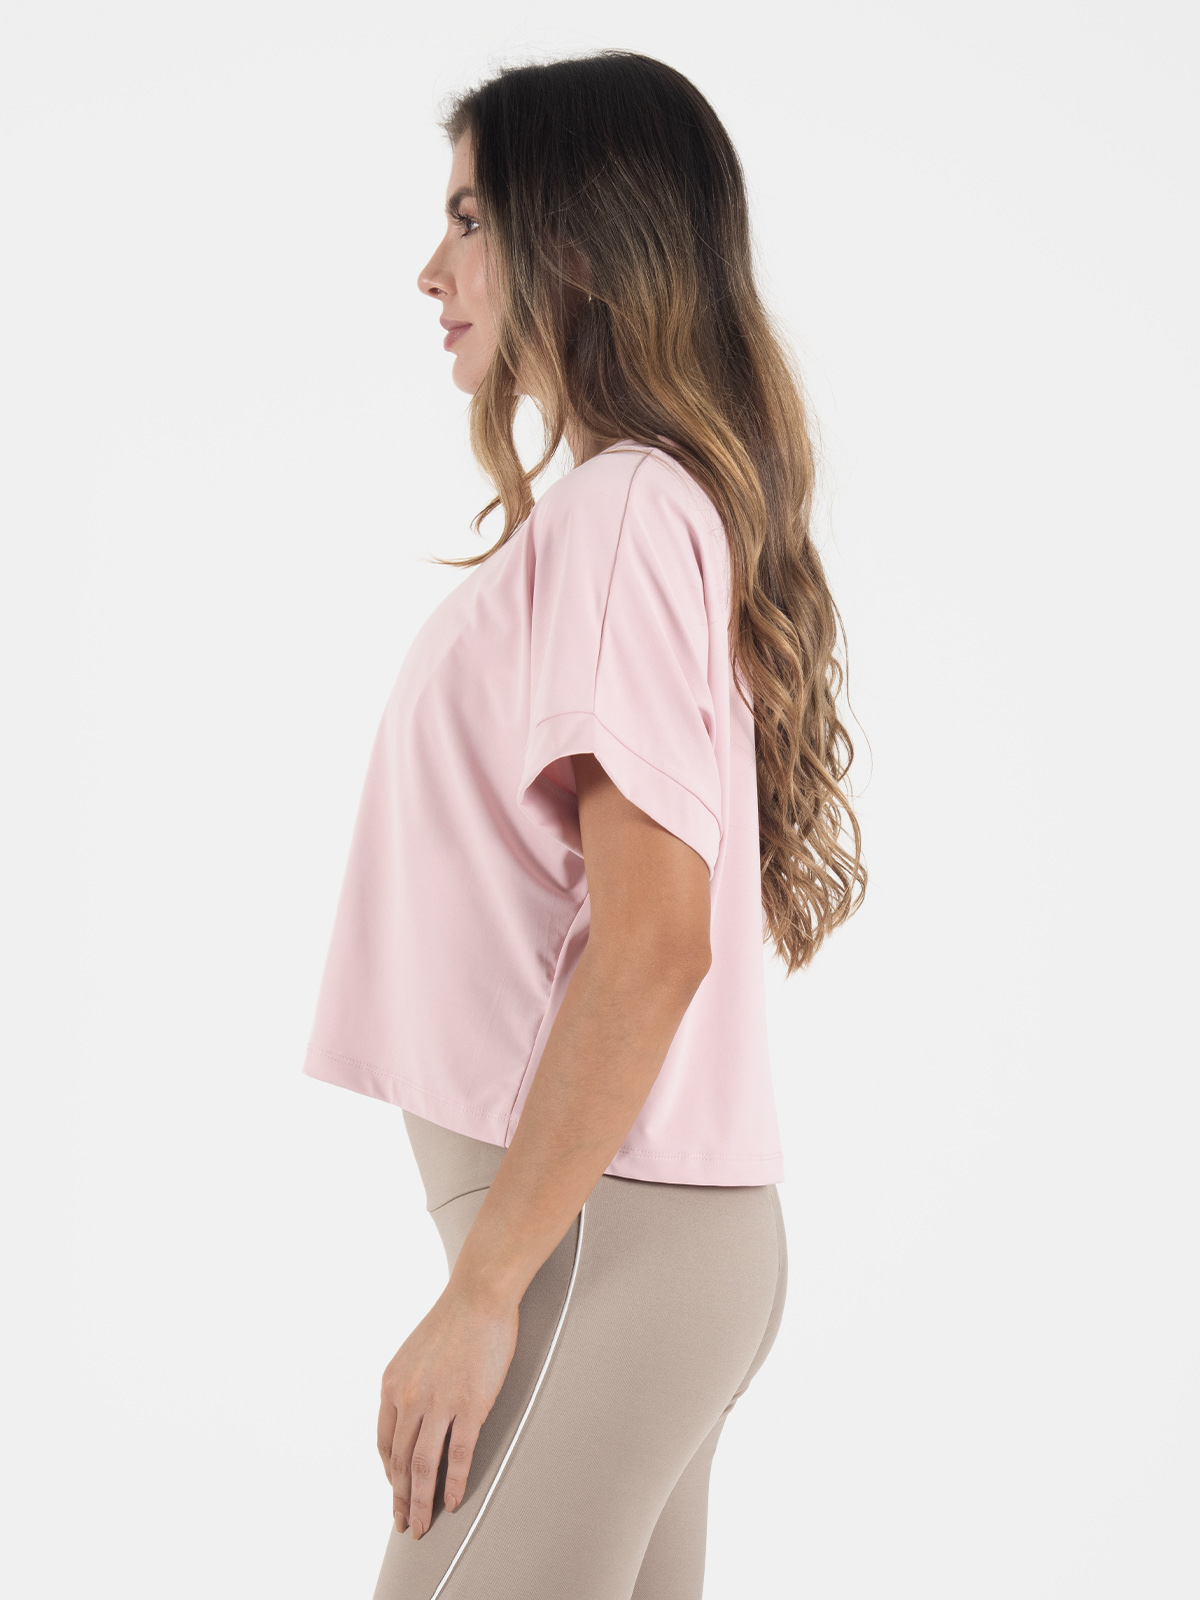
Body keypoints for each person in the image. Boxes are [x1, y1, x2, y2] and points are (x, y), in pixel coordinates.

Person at [302, 50, 866, 1600]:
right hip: (649, 1252)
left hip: (597, 1258)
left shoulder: (621, 515)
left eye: (469, 219)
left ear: (576, 244)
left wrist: (486, 1294)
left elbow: (655, 941)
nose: (432, 271)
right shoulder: (655, 509)